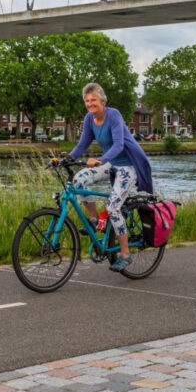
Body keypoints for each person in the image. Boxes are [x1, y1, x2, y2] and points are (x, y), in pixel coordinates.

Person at [68, 82, 153, 272]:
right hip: (111, 163)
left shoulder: (113, 115)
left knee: (113, 207)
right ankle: (96, 219)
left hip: (128, 166)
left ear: (103, 101)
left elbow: (119, 145)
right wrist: (66, 158)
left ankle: (125, 253)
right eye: (87, 101)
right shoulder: (89, 119)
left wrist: (100, 159)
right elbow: (83, 144)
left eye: (94, 100)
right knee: (79, 179)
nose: (90, 104)